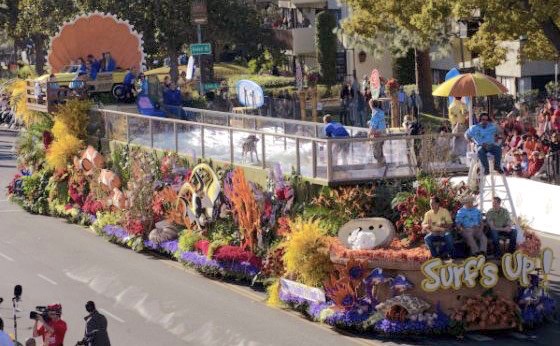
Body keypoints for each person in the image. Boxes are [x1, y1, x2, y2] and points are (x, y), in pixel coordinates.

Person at [368, 99, 386, 164]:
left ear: (371, 105)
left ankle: (380, 167)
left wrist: (369, 133)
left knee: (377, 154)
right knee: (380, 152)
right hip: (382, 134)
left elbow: (373, 127)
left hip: (377, 135)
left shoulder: (375, 113)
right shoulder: (380, 111)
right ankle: (382, 164)